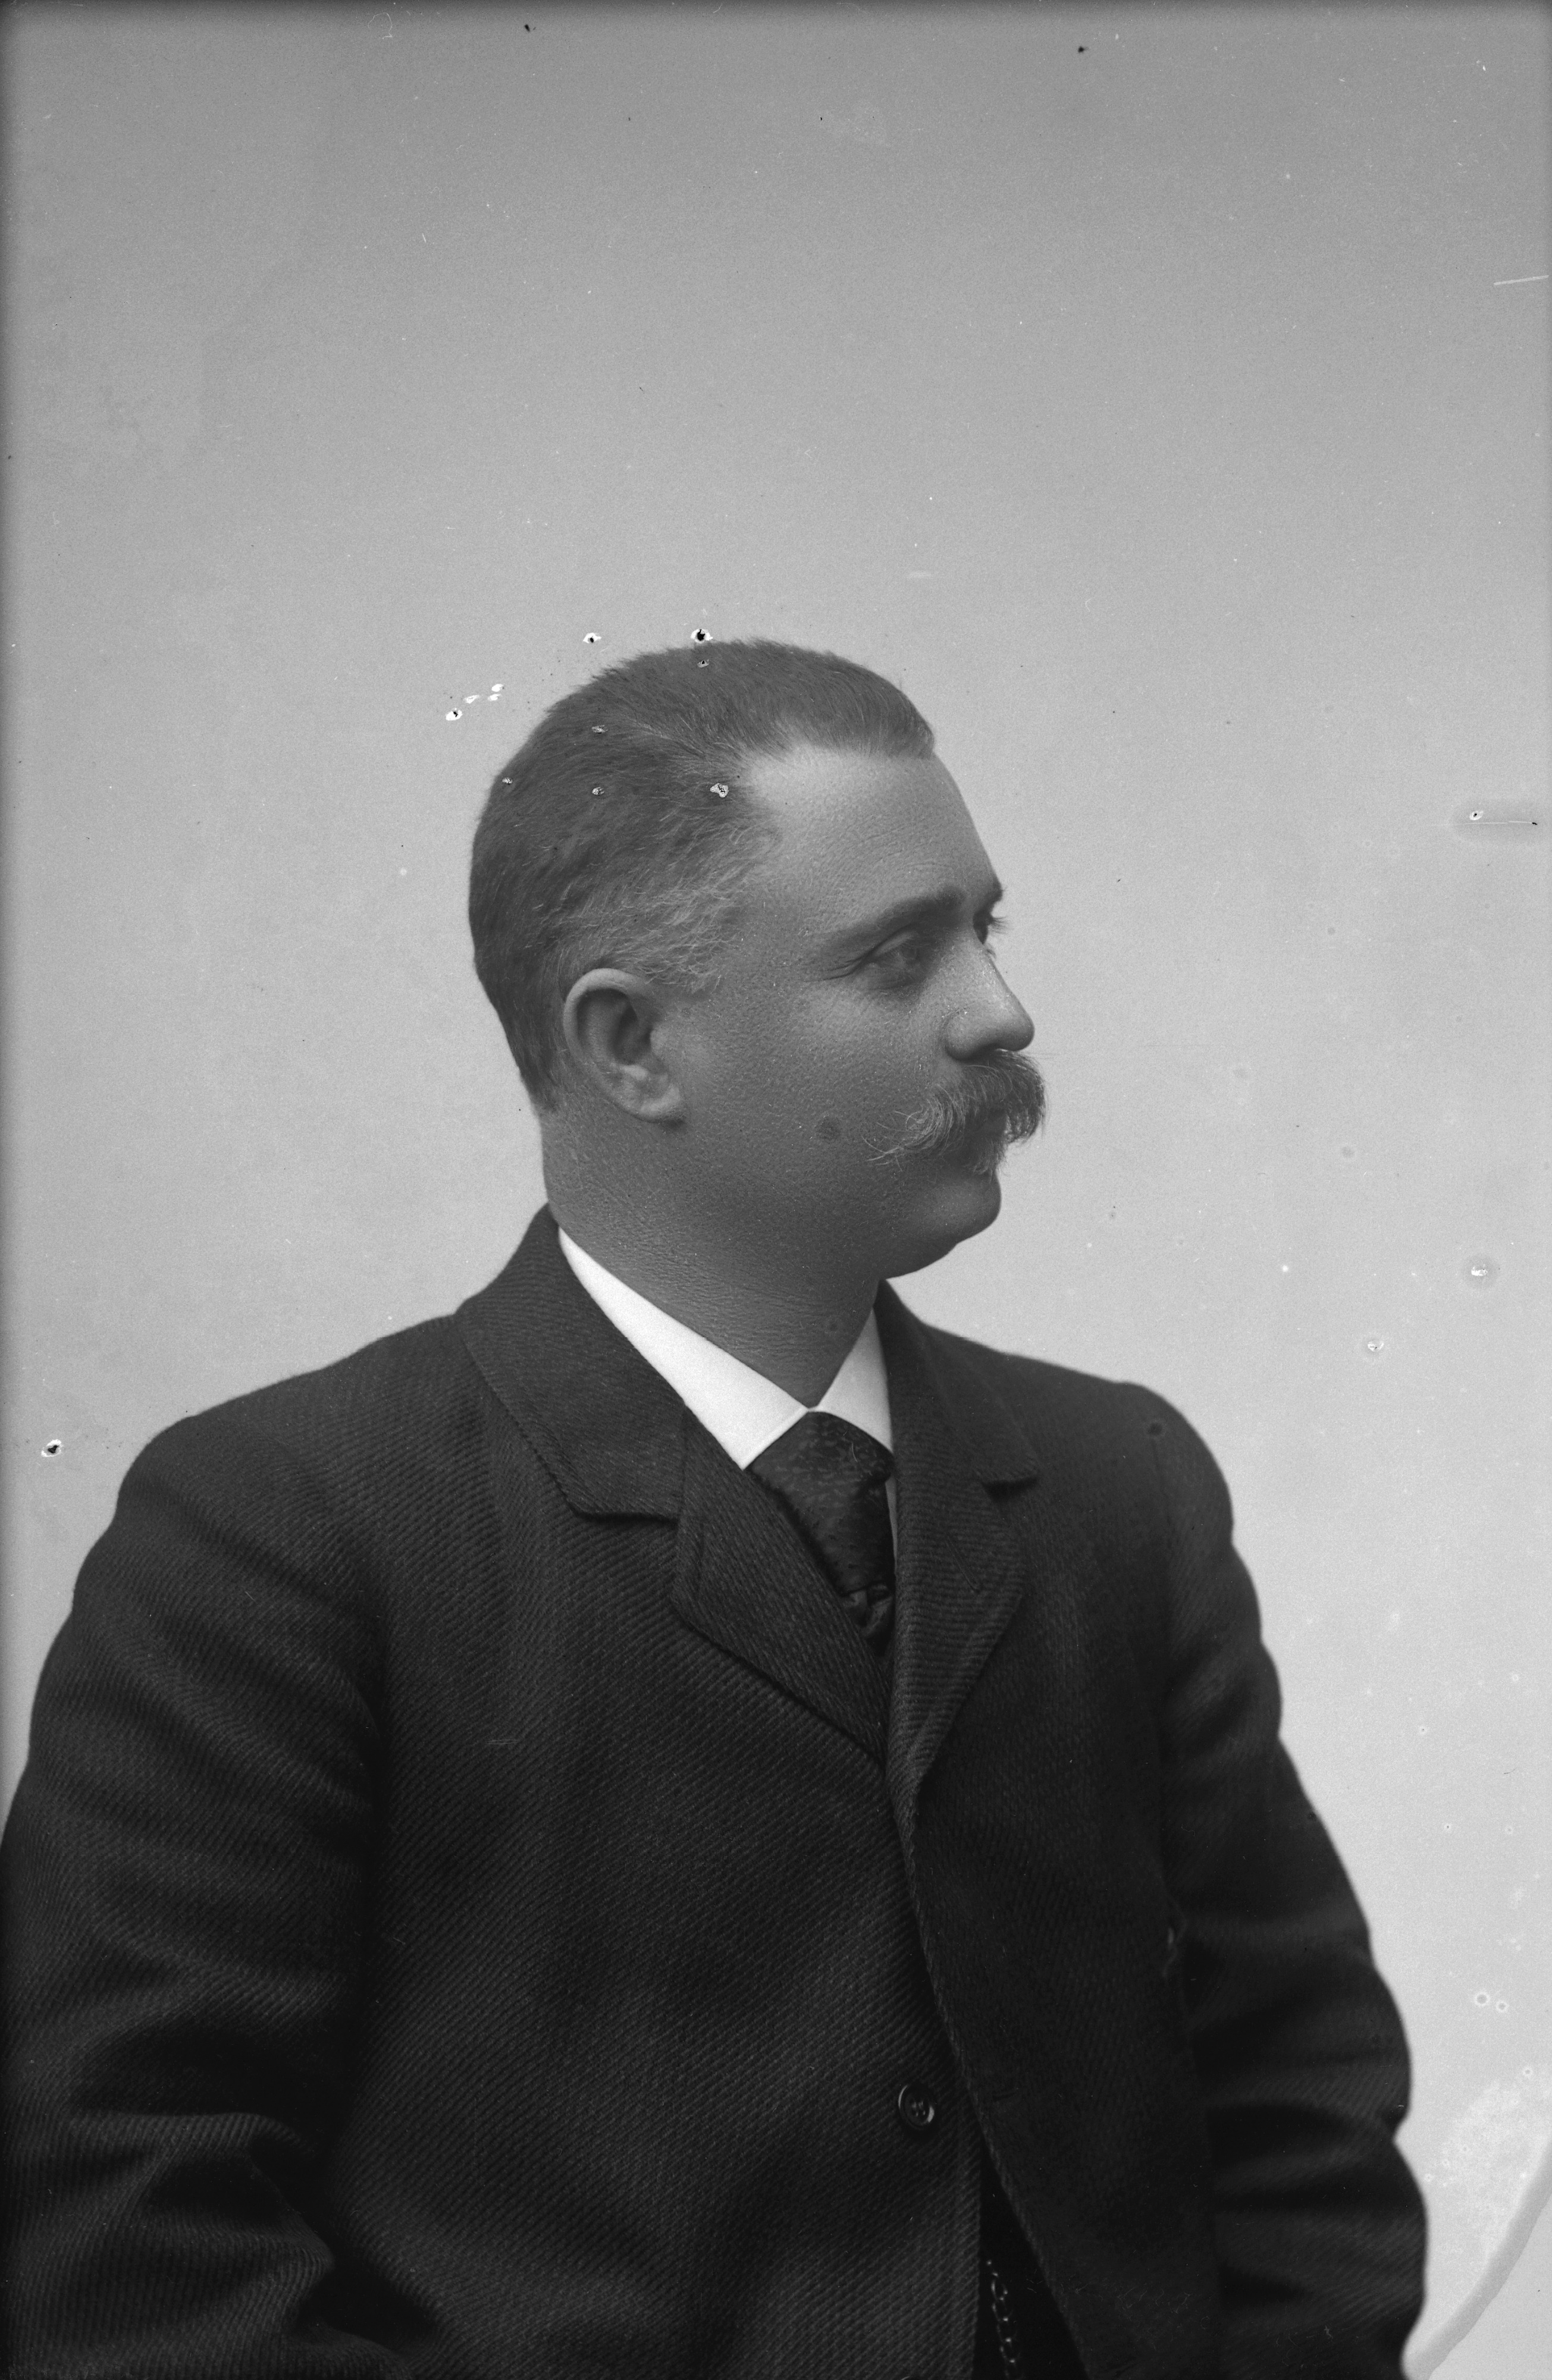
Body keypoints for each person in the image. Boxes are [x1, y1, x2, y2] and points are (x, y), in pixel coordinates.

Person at [2, 641, 1425, 2378]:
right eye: (898, 956)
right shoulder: (286, 1529)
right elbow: (122, 2216)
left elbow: (1299, 2099)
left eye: (986, 929)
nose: (998, 1011)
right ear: (630, 1044)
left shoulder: (1116, 1485)